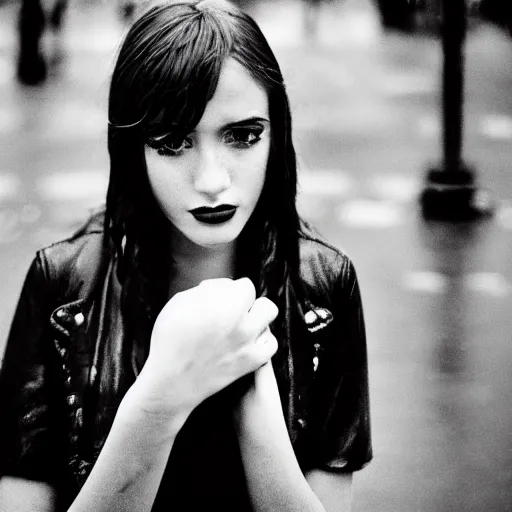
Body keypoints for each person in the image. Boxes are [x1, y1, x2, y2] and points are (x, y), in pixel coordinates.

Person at [0, 1, 372, 510]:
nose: (212, 180)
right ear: (134, 148)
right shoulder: (64, 288)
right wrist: (160, 399)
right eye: (174, 141)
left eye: (242, 136)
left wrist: (248, 379)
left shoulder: (322, 288)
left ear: (277, 134)